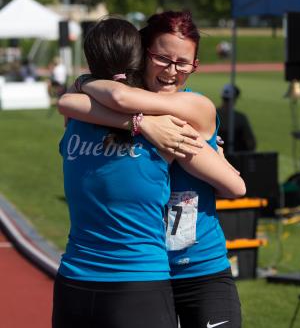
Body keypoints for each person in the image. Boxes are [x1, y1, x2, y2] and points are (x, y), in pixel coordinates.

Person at [54, 16, 245, 328]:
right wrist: (139, 124)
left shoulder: (190, 107)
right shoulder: (108, 109)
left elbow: (102, 98)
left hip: (200, 267)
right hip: (145, 269)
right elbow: (70, 103)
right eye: (162, 58)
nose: (171, 71)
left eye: (183, 63)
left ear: (195, 65)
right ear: (142, 55)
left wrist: (86, 83)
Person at [217, 84, 256, 153]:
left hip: (215, 155)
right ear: (235, 98)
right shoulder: (240, 118)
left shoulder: (211, 114)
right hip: (236, 158)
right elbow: (251, 143)